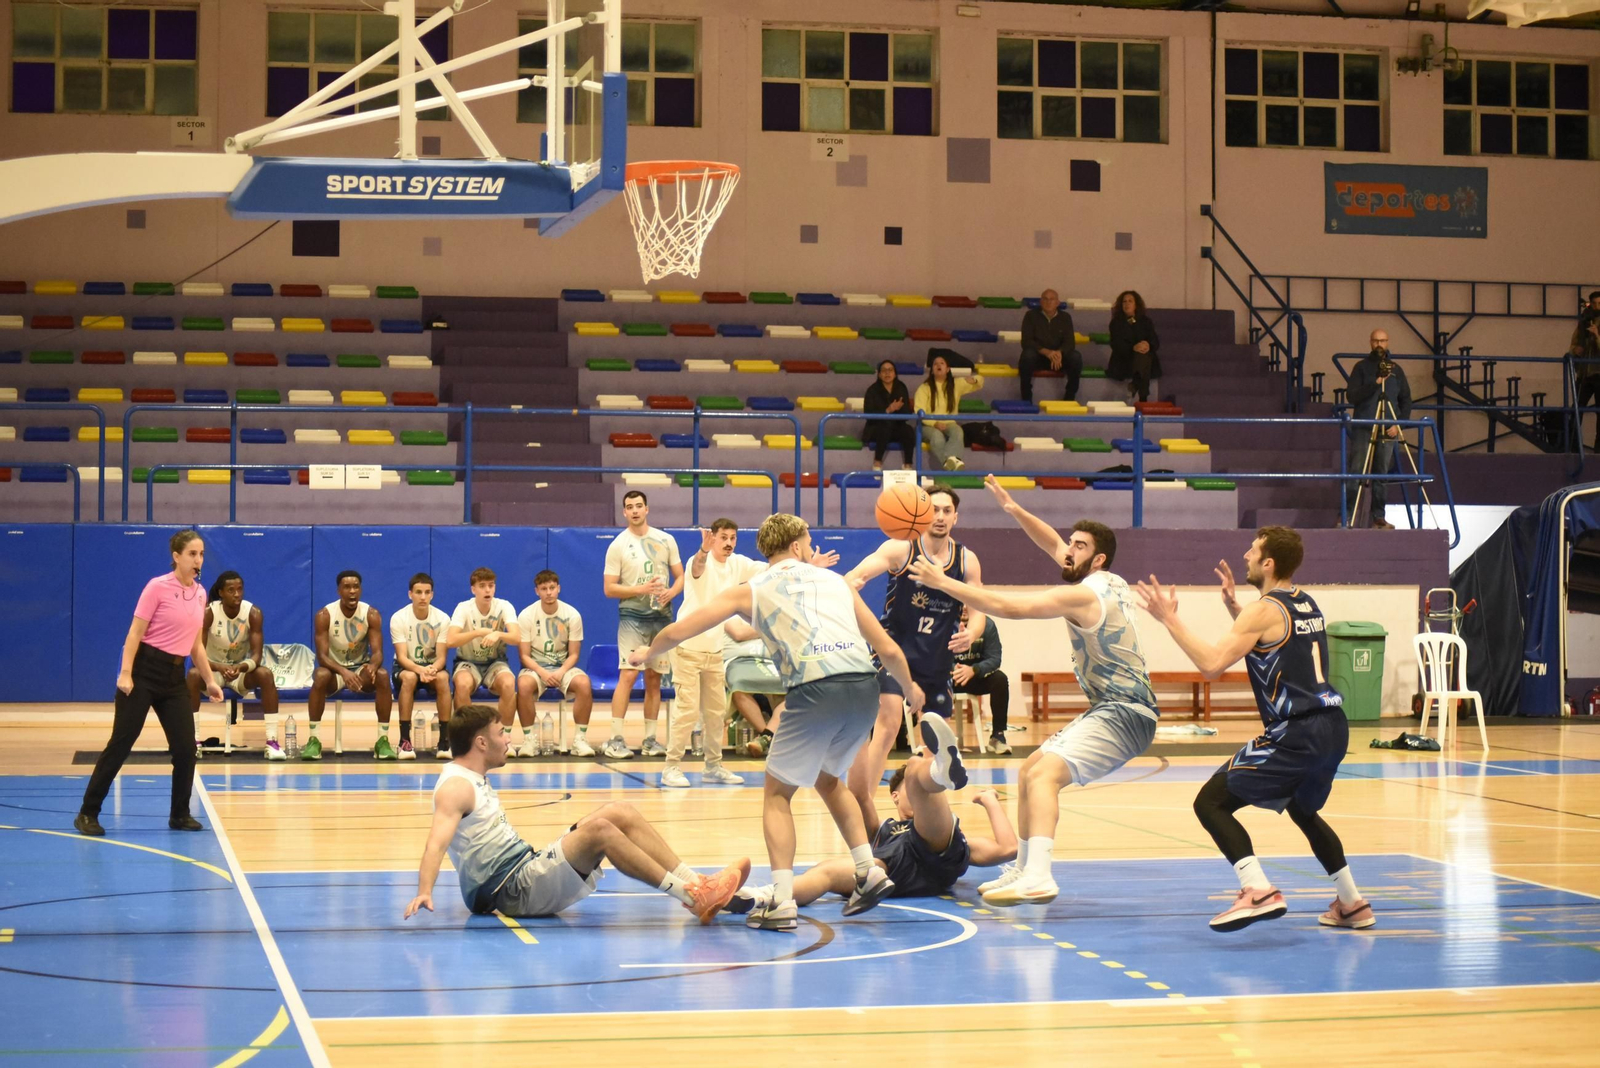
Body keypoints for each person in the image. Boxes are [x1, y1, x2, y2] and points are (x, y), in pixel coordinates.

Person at [628, 512, 930, 932]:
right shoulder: (837, 582)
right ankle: (869, 870)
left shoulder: (748, 590)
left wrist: (649, 652)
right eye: (807, 542)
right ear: (795, 546)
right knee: (829, 779)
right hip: (864, 686)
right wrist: (911, 688)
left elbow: (682, 629)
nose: (810, 548)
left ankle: (783, 902)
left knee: (776, 795)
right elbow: (887, 648)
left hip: (816, 688)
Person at [911, 474, 1160, 907]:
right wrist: (1013, 508)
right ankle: (1024, 868)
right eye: (1071, 542)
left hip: (1126, 713)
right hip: (1112, 707)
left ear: (1097, 559)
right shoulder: (1109, 578)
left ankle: (1040, 876)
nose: (1068, 549)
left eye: (1078, 546)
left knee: (1044, 775)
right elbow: (1052, 545)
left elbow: (1011, 607)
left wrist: (943, 582)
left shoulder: (1085, 595)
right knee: (1029, 771)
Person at [1135, 527, 1375, 933]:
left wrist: (1169, 618)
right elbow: (1270, 642)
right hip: (1333, 727)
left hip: (1296, 732)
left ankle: (1257, 889)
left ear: (1268, 563)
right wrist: (1234, 607)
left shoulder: (1263, 610)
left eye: (1253, 550)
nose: (1245, 554)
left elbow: (1211, 664)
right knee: (1303, 809)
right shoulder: (1303, 602)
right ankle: (1352, 903)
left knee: (1210, 803)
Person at [402, 704, 750, 923]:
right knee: (600, 830)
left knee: (619, 811)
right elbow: (435, 845)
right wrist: (424, 890)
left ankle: (698, 883)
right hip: (509, 889)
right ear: (481, 743)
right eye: (500, 733)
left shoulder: (471, 777)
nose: (507, 739)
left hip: (525, 869)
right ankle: (692, 897)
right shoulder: (456, 787)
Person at [845, 484, 983, 833]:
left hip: (936, 658)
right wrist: (855, 579)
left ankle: (932, 813)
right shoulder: (900, 548)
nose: (939, 516)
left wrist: (973, 632)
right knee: (889, 719)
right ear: (922, 513)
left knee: (935, 739)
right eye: (933, 509)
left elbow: (979, 607)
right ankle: (865, 798)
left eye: (946, 510)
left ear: (956, 516)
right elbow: (859, 573)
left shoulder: (966, 560)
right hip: (895, 650)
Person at [77, 530, 223, 836]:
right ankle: (88, 813)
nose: (198, 560)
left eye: (201, 555)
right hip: (144, 672)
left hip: (174, 678)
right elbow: (134, 633)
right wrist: (125, 673)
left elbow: (195, 644)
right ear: (177, 557)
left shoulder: (200, 593)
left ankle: (180, 815)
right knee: (120, 744)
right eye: (192, 554)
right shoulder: (156, 587)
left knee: (185, 748)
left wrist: (210, 680)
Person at [729, 761, 1018, 914]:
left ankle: (937, 769)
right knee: (827, 869)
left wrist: (990, 800)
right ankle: (759, 898)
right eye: (906, 787)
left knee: (917, 766)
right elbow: (857, 792)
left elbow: (1008, 848)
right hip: (893, 874)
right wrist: (861, 733)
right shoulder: (882, 831)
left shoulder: (946, 833)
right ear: (894, 796)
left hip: (935, 851)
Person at [663, 520, 761, 788]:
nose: (729, 542)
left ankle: (713, 767)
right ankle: (671, 767)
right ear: (713, 539)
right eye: (723, 538)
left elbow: (772, 570)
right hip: (687, 649)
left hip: (714, 652)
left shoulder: (738, 564)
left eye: (733, 538)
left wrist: (807, 565)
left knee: (716, 712)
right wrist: (703, 551)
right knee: (686, 711)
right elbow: (697, 567)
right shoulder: (699, 562)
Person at [602, 490, 684, 759]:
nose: (635, 510)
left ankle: (650, 740)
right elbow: (609, 589)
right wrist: (641, 589)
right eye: (629, 507)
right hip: (632, 618)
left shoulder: (666, 539)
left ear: (647, 509)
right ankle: (615, 739)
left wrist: (672, 592)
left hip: (661, 618)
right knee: (628, 674)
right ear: (624, 512)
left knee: (654, 679)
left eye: (639, 506)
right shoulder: (618, 545)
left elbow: (681, 576)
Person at [307, 570, 398, 761]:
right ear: (339, 590)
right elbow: (322, 657)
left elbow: (378, 652)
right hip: (334, 670)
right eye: (347, 587)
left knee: (381, 674)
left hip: (360, 671)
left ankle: (383, 741)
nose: (352, 591)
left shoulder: (371, 614)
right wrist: (343, 672)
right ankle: (313, 740)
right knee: (320, 675)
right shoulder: (325, 615)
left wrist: (372, 666)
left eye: (356, 587)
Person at [188, 570, 280, 758]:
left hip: (240, 672)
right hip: (212, 671)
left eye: (240, 589)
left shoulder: (253, 613)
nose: (237, 594)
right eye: (231, 590)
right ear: (221, 593)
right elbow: (198, 653)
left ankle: (272, 741)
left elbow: (256, 656)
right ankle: (193, 740)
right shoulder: (209, 613)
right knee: (193, 675)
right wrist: (219, 667)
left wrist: (241, 667)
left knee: (265, 674)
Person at [515, 569, 594, 756]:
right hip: (536, 667)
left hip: (563, 667)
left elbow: (574, 654)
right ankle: (529, 740)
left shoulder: (572, 615)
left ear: (558, 588)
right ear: (537, 591)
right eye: (544, 589)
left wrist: (560, 672)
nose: (548, 592)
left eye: (552, 588)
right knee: (524, 685)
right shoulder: (526, 615)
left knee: (584, 683)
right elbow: (524, 656)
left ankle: (580, 740)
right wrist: (543, 672)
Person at [445, 568, 521, 750]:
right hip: (468, 662)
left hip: (495, 662)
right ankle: (468, 738)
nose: (487, 590)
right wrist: (478, 632)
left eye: (491, 586)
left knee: (509, 683)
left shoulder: (504, 606)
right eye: (482, 586)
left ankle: (505, 738)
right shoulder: (464, 608)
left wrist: (498, 635)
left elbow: (517, 637)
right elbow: (450, 640)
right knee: (462, 684)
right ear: (473, 590)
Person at [1344, 328, 1411, 530]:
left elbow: (1406, 400)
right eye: (1376, 341)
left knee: (1381, 474)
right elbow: (1352, 396)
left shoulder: (1397, 370)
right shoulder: (1361, 368)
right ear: (1370, 342)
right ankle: (1347, 516)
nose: (1379, 345)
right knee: (1356, 472)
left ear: (1388, 342)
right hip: (1364, 427)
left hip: (1387, 429)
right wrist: (1376, 383)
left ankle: (1378, 518)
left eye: (1383, 341)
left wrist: (1399, 424)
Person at [391, 572, 451, 760]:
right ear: (410, 594)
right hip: (407, 668)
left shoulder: (442, 618)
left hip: (432, 668)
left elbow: (441, 658)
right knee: (409, 678)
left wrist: (431, 669)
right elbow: (401, 657)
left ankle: (444, 741)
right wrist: (420, 670)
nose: (423, 597)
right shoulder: (399, 618)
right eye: (418, 592)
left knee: (443, 678)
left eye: (427, 592)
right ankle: (404, 741)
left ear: (432, 594)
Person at [951, 604, 1012, 754]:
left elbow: (994, 659)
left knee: (1000, 679)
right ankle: (932, 740)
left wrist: (973, 670)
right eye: (961, 602)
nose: (965, 607)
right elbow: (935, 656)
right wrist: (953, 669)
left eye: (969, 603)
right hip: (949, 677)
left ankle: (998, 737)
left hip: (974, 677)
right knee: (925, 679)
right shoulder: (945, 624)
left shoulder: (987, 625)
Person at [723, 619, 785, 758]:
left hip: (772, 661)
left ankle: (765, 738)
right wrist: (770, 629)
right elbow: (739, 633)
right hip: (740, 660)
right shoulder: (734, 612)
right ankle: (768, 736)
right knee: (739, 685)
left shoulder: (771, 612)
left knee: (793, 690)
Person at [914, 355, 985, 471]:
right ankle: (949, 462)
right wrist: (934, 423)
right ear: (932, 370)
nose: (938, 365)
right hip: (927, 425)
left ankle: (951, 461)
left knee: (957, 431)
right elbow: (919, 411)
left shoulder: (956, 385)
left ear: (947, 369)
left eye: (942, 363)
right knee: (937, 436)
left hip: (949, 423)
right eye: (935, 363)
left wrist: (974, 379)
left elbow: (980, 380)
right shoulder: (924, 388)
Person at [1018, 289, 1080, 404]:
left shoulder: (1065, 317)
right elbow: (1027, 341)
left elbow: (1070, 342)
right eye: (1045, 299)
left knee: (1075, 357)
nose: (1048, 302)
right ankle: (1026, 399)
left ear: (1057, 302)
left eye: (1052, 299)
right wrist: (1047, 352)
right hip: (1039, 357)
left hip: (1058, 359)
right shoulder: (1031, 316)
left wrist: (1059, 353)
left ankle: (1069, 397)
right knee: (1027, 355)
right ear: (1041, 302)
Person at [1105, 290, 1162, 403]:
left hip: (1143, 358)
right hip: (1124, 360)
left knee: (1144, 356)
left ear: (1136, 305)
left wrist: (1147, 345)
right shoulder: (1116, 323)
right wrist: (1133, 347)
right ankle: (1143, 396)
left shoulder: (1146, 321)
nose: (1127, 304)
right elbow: (1116, 345)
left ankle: (1136, 384)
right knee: (1143, 358)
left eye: (1130, 301)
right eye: (1124, 302)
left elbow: (1155, 341)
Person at [862, 359, 916, 471]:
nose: (887, 373)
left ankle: (908, 465)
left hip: (896, 427)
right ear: (879, 374)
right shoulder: (872, 390)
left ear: (895, 373)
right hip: (875, 428)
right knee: (885, 427)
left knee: (908, 430)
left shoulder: (901, 387)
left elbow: (906, 413)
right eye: (884, 370)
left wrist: (898, 410)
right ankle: (877, 463)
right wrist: (888, 410)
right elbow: (868, 414)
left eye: (890, 370)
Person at [1571, 314, 1600, 452]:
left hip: (1598, 374)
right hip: (1584, 375)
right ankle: (1574, 446)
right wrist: (1575, 351)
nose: (1596, 306)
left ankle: (1598, 449)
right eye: (1593, 303)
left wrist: (1597, 336)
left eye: (1599, 303)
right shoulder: (1583, 324)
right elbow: (1573, 345)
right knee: (1576, 409)